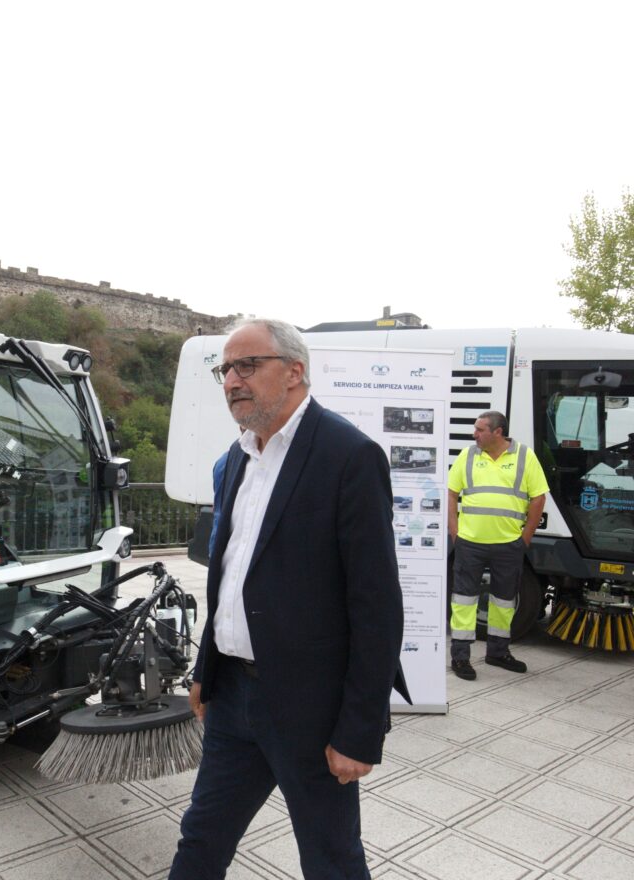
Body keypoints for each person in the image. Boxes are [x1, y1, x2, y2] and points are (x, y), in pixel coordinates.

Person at [170, 318, 405, 880]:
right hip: (232, 700)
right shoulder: (235, 460)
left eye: (247, 365)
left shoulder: (348, 456)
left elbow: (377, 607)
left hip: (310, 710)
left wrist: (358, 731)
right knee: (201, 837)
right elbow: (229, 579)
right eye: (224, 369)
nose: (231, 380)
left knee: (330, 858)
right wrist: (206, 668)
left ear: (295, 371)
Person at [446, 411, 548, 680]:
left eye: (480, 429)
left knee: (504, 601)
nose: (474, 434)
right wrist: (455, 532)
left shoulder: (525, 457)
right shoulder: (468, 456)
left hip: (508, 545)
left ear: (498, 432)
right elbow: (452, 492)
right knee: (464, 600)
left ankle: (498, 652)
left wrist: (524, 538)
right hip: (470, 544)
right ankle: (460, 657)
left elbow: (538, 498)